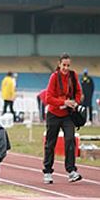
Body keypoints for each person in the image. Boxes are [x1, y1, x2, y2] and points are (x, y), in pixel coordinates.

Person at [43, 53, 82, 184]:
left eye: (68, 65)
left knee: (70, 140)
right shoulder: (54, 77)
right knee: (50, 143)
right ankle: (48, 171)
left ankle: (71, 171)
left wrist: (75, 102)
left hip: (68, 115)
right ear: (59, 64)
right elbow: (48, 98)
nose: (65, 68)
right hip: (53, 114)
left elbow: (78, 92)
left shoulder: (73, 75)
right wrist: (63, 102)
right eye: (63, 65)